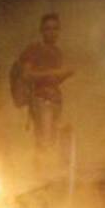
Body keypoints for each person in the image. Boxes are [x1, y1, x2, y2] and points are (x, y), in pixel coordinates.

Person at [16, 13, 73, 157]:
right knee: (44, 141)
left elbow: (54, 80)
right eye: (48, 28)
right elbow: (26, 75)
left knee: (52, 140)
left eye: (55, 29)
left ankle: (48, 173)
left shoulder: (57, 52)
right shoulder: (34, 49)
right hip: (41, 100)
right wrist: (52, 73)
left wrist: (64, 74)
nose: (52, 32)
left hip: (55, 100)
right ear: (41, 30)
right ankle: (41, 175)